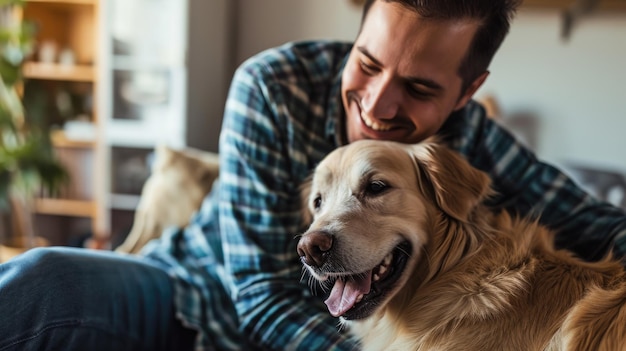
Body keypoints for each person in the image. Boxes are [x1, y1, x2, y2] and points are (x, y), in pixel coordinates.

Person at [1, 0, 625, 350]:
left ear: (468, 93)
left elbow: (601, 224)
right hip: (192, 291)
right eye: (368, 63)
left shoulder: (472, 143)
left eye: (418, 87)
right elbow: (260, 297)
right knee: (40, 280)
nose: (378, 106)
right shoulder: (271, 86)